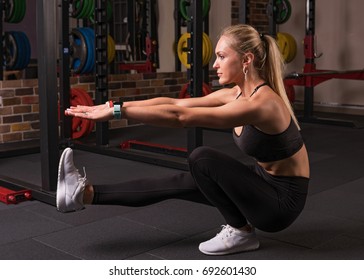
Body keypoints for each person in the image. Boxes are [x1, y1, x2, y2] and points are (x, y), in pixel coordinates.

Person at [57, 24, 310, 256]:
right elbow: (176, 103)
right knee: (178, 182)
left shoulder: (262, 105)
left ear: (246, 60)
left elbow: (181, 116)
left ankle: (241, 232)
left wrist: (117, 113)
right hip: (262, 184)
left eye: (221, 56)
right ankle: (82, 194)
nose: (214, 64)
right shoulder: (236, 94)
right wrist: (115, 106)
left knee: (203, 159)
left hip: (279, 204)